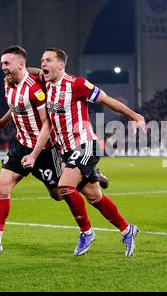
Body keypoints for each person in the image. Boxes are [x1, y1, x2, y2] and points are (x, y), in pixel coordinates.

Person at [23, 47, 146, 257]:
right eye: (42, 60)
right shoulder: (47, 85)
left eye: (48, 60)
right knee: (94, 196)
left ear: (61, 64)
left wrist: (135, 116)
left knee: (64, 186)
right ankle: (127, 229)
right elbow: (33, 72)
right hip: (66, 151)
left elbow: (107, 100)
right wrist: (21, 69)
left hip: (86, 143)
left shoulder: (77, 84)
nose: (43, 64)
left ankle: (86, 232)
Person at [0, 46, 69, 258]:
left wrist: (34, 155)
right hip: (20, 144)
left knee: (58, 195)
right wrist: (4, 121)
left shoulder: (35, 89)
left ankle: (83, 173)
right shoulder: (7, 83)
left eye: (7, 63)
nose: (2, 67)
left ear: (20, 64)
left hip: (43, 149)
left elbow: (47, 125)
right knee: (1, 187)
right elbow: (16, 106)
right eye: (2, 63)